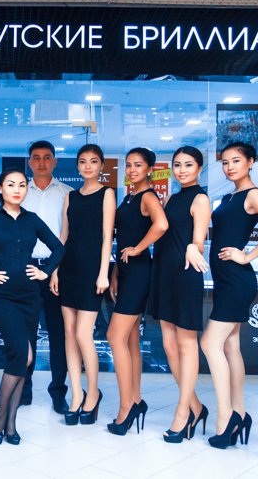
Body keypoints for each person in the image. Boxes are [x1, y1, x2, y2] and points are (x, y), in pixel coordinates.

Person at [0, 168, 65, 445]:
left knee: (23, 360)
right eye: (11, 184)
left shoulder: (32, 220)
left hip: (30, 296)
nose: (17, 189)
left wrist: (45, 271)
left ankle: (11, 423)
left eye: (21, 185)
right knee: (21, 354)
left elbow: (59, 248)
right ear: (0, 188)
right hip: (1, 296)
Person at [201, 142, 258, 449]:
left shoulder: (253, 195)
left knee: (209, 343)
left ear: (250, 162)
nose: (229, 167)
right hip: (224, 280)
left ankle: (226, 418)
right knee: (230, 346)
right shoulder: (229, 197)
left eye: (236, 160)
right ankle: (239, 412)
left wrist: (247, 256)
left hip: (237, 280)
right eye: (225, 162)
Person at [147, 145, 211, 443]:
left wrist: (193, 247)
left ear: (199, 168)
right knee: (169, 347)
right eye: (177, 165)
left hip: (186, 275)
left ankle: (183, 412)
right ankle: (196, 406)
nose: (182, 170)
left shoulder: (201, 199)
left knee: (186, 346)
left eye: (188, 165)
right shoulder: (171, 198)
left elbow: (199, 241)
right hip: (163, 273)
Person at [51, 144, 115, 425]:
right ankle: (76, 394)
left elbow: (107, 237)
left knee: (83, 334)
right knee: (69, 332)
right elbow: (63, 237)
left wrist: (103, 273)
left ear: (101, 166)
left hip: (91, 271)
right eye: (83, 161)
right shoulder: (70, 197)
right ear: (77, 166)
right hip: (68, 269)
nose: (88, 166)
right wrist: (54, 270)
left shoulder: (107, 193)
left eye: (93, 161)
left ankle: (93, 393)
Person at [106, 147, 168, 435]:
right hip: (127, 272)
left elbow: (162, 224)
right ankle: (137, 399)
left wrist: (139, 249)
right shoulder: (129, 197)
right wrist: (116, 271)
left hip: (140, 273)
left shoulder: (147, 197)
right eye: (128, 165)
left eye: (138, 165)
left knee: (114, 336)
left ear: (150, 169)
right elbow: (124, 239)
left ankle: (126, 407)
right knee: (131, 340)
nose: (132, 170)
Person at [21, 140, 72, 414]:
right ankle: (24, 389)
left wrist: (57, 269)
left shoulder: (68, 194)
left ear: (55, 162)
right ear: (29, 162)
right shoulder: (19, 192)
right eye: (36, 157)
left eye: (47, 157)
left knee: (58, 334)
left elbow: (70, 237)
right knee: (25, 332)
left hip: (56, 271)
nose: (41, 162)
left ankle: (58, 391)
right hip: (26, 269)